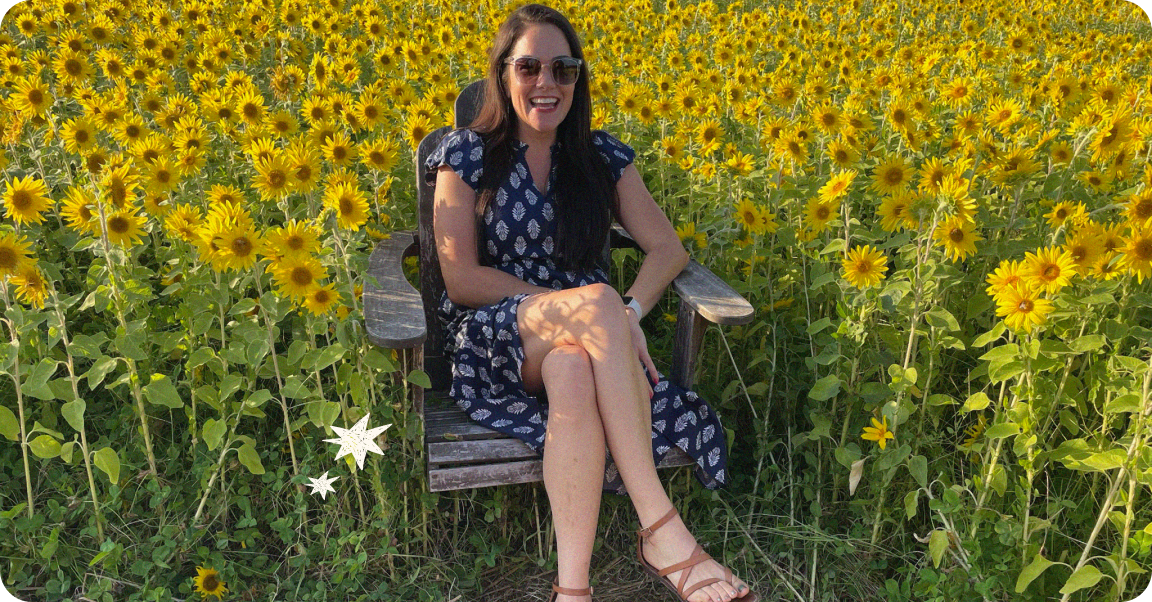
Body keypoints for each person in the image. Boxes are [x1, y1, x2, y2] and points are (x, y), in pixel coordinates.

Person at [425, 4, 757, 602]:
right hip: (495, 342)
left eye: (564, 69)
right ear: (503, 73)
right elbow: (461, 279)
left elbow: (667, 250)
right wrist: (583, 306)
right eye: (529, 67)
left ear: (578, 80)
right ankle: (662, 531)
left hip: (586, 348)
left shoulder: (601, 157)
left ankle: (572, 590)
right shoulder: (468, 153)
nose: (547, 83)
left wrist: (625, 314)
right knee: (596, 304)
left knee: (573, 370)